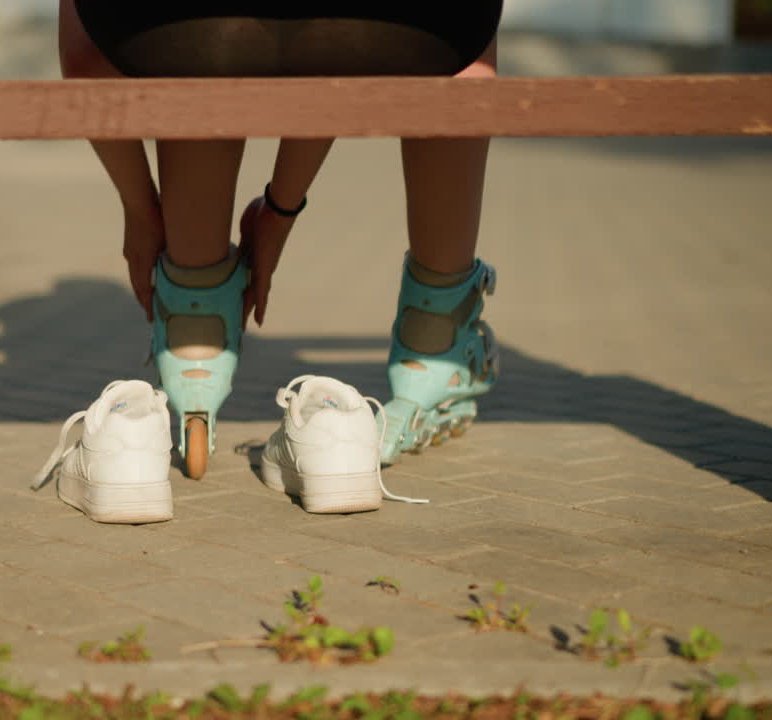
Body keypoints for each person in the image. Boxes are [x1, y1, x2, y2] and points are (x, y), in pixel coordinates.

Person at [58, 2, 503, 477]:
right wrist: (280, 208)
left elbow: (84, 55)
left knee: (190, 41)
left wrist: (141, 209)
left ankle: (196, 335)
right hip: (412, 29)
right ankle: (434, 358)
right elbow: (334, 57)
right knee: (456, 59)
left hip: (179, 33)